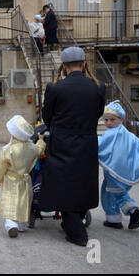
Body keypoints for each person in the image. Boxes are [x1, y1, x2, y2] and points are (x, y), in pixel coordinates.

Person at [40, 46, 106, 247]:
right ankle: (74, 219)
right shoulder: (98, 87)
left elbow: (47, 116)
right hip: (87, 141)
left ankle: (76, 230)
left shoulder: (55, 88)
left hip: (62, 141)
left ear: (64, 66)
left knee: (63, 182)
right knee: (82, 180)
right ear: (84, 64)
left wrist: (58, 129)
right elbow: (98, 113)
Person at [99, 101, 139, 229]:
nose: (109, 123)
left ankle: (117, 219)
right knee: (120, 194)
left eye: (112, 119)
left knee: (110, 195)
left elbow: (99, 144)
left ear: (121, 119)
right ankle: (133, 213)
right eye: (106, 120)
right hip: (125, 173)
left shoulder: (111, 134)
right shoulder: (127, 134)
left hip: (115, 175)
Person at [0, 115, 46, 238]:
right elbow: (40, 151)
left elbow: (0, 167)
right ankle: (22, 225)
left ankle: (11, 225)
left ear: (14, 134)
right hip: (26, 180)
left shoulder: (8, 150)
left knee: (9, 202)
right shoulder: (32, 148)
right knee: (23, 202)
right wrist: (41, 140)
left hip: (11, 181)